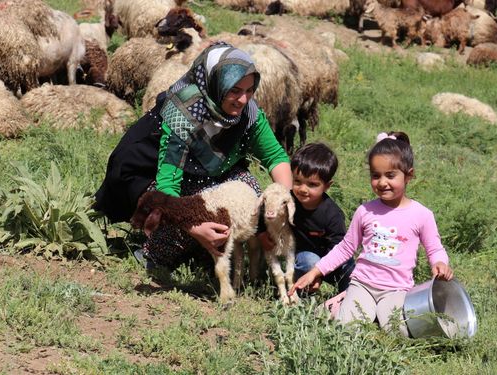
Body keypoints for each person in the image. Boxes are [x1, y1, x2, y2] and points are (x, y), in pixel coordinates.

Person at [94, 41, 292, 271]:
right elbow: (168, 187)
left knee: (248, 189)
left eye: (249, 91)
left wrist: (283, 200)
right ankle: (154, 256)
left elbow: (276, 157)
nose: (243, 100)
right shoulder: (184, 112)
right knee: (205, 205)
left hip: (199, 173)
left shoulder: (247, 114)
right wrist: (196, 227)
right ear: (216, 84)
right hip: (144, 174)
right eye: (235, 91)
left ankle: (202, 253)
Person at [288, 131, 454, 336]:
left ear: (409, 175)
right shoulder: (365, 211)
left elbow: (435, 247)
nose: (382, 182)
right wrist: (316, 271)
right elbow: (345, 248)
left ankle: (357, 307)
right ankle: (345, 305)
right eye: (376, 176)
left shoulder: (421, 215)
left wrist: (440, 263)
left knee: (397, 330)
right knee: (347, 329)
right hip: (361, 285)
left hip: (397, 290)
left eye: (390, 175)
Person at [272, 142, 355, 294]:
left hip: (332, 257)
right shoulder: (288, 200)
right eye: (297, 181)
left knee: (350, 267)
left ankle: (347, 297)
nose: (303, 189)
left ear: (327, 185)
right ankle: (302, 293)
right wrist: (264, 233)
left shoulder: (332, 214)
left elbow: (339, 246)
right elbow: (267, 208)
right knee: (308, 260)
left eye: (312, 184)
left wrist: (320, 273)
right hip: (306, 254)